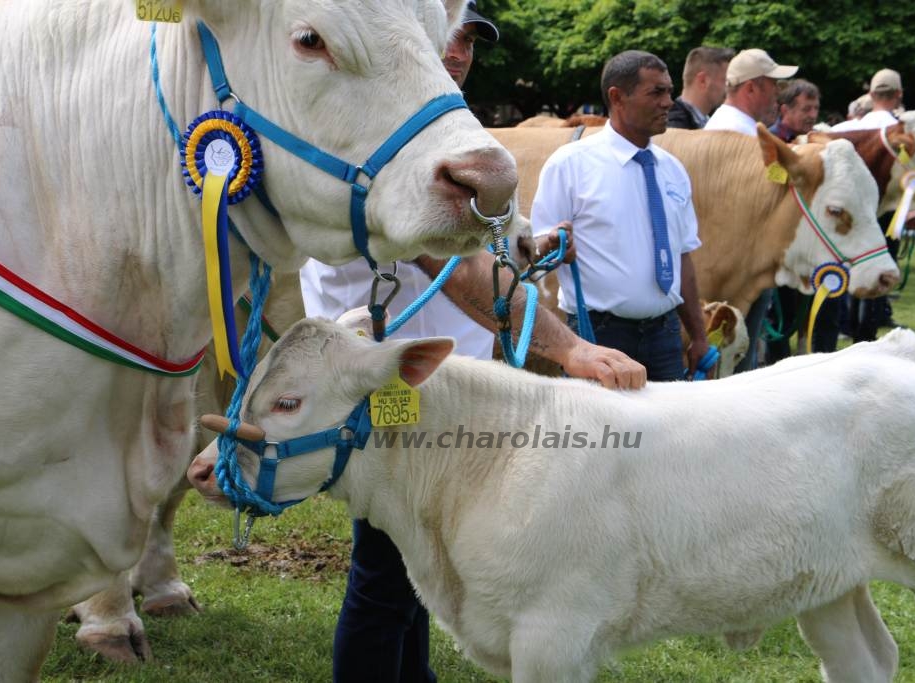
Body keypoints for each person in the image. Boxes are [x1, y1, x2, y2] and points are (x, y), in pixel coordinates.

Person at [302, 6, 646, 683]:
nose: (458, 52)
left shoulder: (427, 136)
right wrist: (568, 348)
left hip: (432, 383)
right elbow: (455, 265)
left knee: (416, 558)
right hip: (389, 385)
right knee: (388, 569)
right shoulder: (391, 142)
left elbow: (475, 257)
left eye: (468, 40)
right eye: (446, 36)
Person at [530, 50, 709, 381]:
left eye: (669, 91)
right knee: (601, 434)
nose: (669, 102)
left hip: (665, 336)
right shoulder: (570, 164)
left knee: (667, 432)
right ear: (617, 97)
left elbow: (682, 256)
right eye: (656, 92)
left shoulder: (673, 170)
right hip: (598, 338)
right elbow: (537, 248)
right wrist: (553, 244)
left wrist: (698, 336)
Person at [704, 48, 798, 371]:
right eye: (774, 86)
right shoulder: (739, 136)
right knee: (739, 357)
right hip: (740, 268)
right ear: (752, 88)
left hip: (737, 264)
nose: (779, 97)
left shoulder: (728, 126)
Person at [762, 79, 840, 361]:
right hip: (781, 245)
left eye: (815, 108)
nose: (812, 114)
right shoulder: (768, 143)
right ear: (785, 109)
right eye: (806, 108)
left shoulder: (821, 145)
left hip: (817, 246)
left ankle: (827, 366)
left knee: (827, 307)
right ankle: (777, 370)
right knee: (781, 315)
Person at [832, 68, 908, 342]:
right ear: (898, 94)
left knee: (843, 271)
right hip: (885, 213)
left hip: (846, 214)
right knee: (879, 274)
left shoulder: (842, 130)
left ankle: (844, 327)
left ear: (871, 94)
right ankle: (866, 337)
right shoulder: (902, 133)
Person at [704, 48, 798, 134]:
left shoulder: (727, 122)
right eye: (773, 83)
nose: (778, 92)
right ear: (750, 88)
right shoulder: (738, 132)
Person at [666, 46, 734, 130]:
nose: (731, 87)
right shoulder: (674, 127)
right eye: (726, 80)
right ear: (703, 80)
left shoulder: (706, 122)